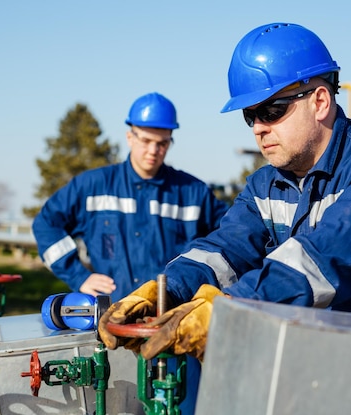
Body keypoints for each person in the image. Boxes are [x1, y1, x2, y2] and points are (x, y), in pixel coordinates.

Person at [99, 21, 351, 382]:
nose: (259, 128)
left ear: (320, 101)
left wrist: (227, 311)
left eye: (272, 110)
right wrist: (164, 292)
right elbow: (223, 252)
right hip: (349, 366)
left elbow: (325, 258)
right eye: (250, 115)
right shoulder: (266, 186)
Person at [33, 92, 228, 301]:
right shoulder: (92, 186)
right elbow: (46, 224)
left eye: (162, 143)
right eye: (146, 140)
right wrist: (79, 277)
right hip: (109, 313)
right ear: (130, 137)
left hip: (172, 314)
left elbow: (233, 237)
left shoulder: (193, 193)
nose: (153, 150)